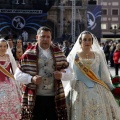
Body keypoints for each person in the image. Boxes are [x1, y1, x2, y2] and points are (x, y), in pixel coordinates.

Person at [14, 26, 73, 120]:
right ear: (37, 37)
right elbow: (17, 75)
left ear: (51, 38)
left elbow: (70, 73)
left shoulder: (59, 53)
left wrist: (62, 75)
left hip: (54, 98)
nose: (45, 39)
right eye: (43, 36)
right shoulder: (28, 54)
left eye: (48, 37)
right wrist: (31, 79)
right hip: (35, 98)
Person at [64, 31, 120, 120]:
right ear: (80, 42)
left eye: (89, 40)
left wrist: (112, 88)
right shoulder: (73, 55)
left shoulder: (98, 55)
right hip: (78, 88)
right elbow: (67, 72)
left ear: (92, 42)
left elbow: (104, 74)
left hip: (97, 87)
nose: (87, 42)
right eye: (85, 40)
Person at [0, 38, 21, 120]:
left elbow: (15, 71)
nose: (3, 48)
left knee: (10, 106)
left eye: (5, 46)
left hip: (9, 85)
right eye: (0, 46)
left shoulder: (9, 57)